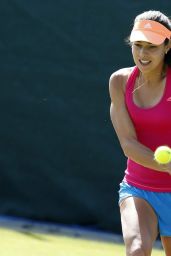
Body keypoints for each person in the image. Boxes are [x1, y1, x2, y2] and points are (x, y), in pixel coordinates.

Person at [109, 10, 171, 256]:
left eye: (152, 47)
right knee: (136, 250)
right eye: (138, 45)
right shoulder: (119, 82)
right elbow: (128, 144)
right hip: (138, 188)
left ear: (167, 46)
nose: (143, 54)